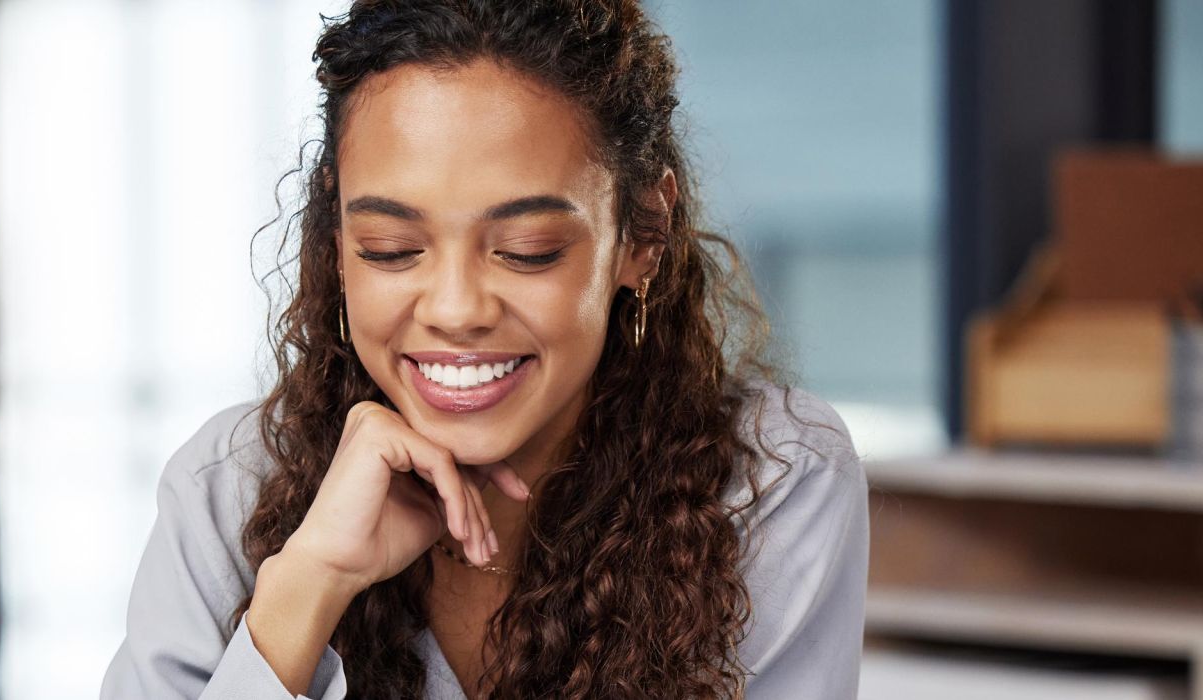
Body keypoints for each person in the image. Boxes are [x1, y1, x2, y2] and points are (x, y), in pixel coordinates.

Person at [100, 0, 869, 697]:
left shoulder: (771, 484)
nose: (457, 310)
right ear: (336, 242)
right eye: (391, 248)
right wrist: (307, 586)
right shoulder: (227, 489)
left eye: (527, 250)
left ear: (644, 235)